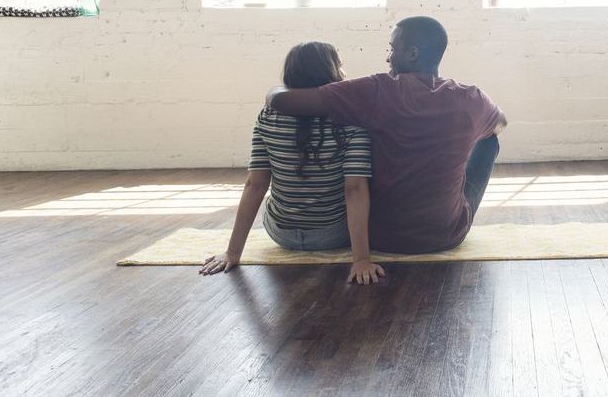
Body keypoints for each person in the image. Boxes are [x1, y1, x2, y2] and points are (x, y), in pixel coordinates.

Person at [267, 16, 508, 254]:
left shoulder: (375, 90)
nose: (387, 56)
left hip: (380, 236)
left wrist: (273, 90)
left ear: (412, 54)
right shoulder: (471, 98)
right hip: (446, 235)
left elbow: (281, 101)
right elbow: (500, 125)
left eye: (392, 49)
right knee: (489, 142)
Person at [200, 42, 386, 285]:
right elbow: (354, 189)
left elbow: (255, 185)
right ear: (332, 72)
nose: (344, 71)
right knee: (367, 183)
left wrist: (233, 252)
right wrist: (361, 259)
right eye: (341, 65)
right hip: (334, 235)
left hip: (281, 233)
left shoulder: (267, 116)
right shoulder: (351, 121)